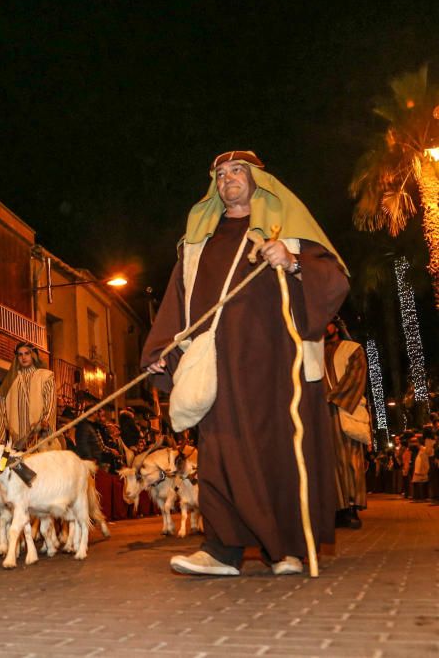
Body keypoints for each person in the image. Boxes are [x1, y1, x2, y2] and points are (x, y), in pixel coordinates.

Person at [142, 150, 348, 577]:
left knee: (277, 450)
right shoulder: (201, 243)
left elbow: (334, 280)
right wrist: (163, 350)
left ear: (257, 179)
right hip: (218, 364)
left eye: (237, 171)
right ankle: (221, 549)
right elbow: (178, 301)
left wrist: (291, 262)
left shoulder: (286, 232)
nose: (227, 179)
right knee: (217, 451)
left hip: (276, 365)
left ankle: (284, 549)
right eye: (220, 174)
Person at [323, 319, 369, 528]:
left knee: (350, 462)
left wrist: (331, 397)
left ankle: (351, 508)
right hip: (321, 415)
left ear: (336, 325)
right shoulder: (312, 351)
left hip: (344, 410)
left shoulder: (353, 349)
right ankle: (335, 509)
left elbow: (356, 379)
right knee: (328, 463)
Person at [0, 341, 57, 450]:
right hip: (16, 443)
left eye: (27, 353)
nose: (23, 357)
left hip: (38, 440)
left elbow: (50, 405)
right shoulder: (10, 381)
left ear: (33, 355)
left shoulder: (45, 377)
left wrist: (43, 424)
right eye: (20, 354)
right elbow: (1, 412)